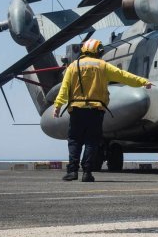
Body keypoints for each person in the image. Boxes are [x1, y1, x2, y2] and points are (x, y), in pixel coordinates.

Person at [53, 39, 152, 182]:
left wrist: (57, 106)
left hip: (76, 109)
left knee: (74, 140)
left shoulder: (73, 66)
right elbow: (124, 76)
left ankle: (73, 171)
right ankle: (87, 173)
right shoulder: (102, 66)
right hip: (95, 110)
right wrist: (143, 82)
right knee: (91, 141)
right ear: (98, 51)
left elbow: (64, 88)